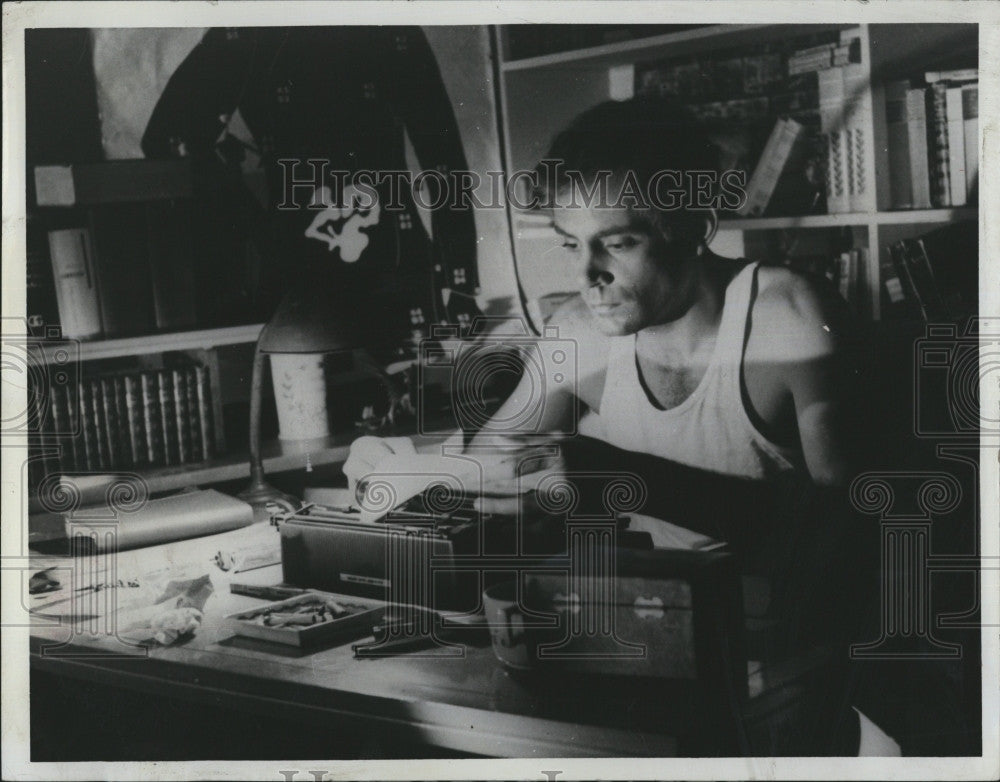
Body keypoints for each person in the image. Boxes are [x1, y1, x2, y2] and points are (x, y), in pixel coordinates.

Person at [343, 97, 885, 753]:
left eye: (618, 243)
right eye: (572, 245)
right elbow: (499, 460)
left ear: (694, 225)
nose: (587, 276)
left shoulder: (788, 316)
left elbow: (857, 533)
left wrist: (632, 478)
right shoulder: (580, 327)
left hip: (783, 672)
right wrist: (404, 465)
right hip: (644, 647)